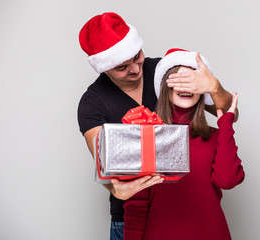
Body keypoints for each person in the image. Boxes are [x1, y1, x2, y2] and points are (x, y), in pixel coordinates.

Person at [77, 13, 236, 240]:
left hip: (180, 208)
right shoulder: (92, 103)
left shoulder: (165, 71)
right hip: (128, 217)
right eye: (122, 67)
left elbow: (228, 113)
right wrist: (115, 189)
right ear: (104, 68)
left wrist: (214, 87)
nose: (134, 68)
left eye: (137, 56)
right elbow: (104, 166)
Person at [123, 48, 245, 240]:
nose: (186, 86)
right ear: (164, 86)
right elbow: (136, 205)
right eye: (178, 80)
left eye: (193, 81)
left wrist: (226, 124)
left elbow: (227, 180)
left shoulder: (215, 137)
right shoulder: (146, 137)